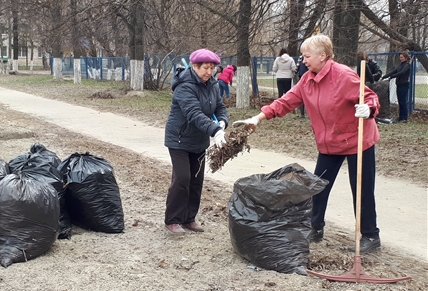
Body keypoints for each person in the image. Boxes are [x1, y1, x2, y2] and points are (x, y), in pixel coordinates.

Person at [233, 34, 382, 254]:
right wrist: (258, 117)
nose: (303, 60)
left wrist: (368, 109)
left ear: (323, 56)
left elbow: (369, 97)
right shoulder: (307, 79)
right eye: (302, 56)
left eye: (306, 56)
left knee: (361, 189)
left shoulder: (343, 75)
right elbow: (286, 101)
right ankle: (315, 227)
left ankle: (370, 236)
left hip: (357, 139)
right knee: (317, 187)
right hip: (330, 142)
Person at [164, 48, 229, 234]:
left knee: (196, 180)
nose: (209, 72)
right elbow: (194, 113)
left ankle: (189, 218)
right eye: (205, 68)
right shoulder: (184, 87)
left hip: (199, 140)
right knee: (182, 178)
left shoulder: (213, 85)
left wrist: (223, 121)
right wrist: (215, 130)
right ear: (194, 66)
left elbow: (219, 107)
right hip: (179, 139)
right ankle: (173, 220)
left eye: (212, 68)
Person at [382, 51, 411, 123]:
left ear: (406, 58)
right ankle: (401, 117)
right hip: (399, 85)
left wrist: (393, 76)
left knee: (403, 102)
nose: (400, 58)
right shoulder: (401, 65)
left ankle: (404, 118)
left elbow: (402, 73)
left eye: (402, 57)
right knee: (400, 102)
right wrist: (386, 76)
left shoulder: (407, 65)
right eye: (400, 57)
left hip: (404, 85)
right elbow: (394, 71)